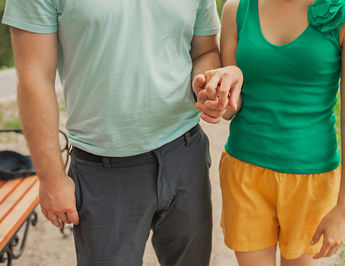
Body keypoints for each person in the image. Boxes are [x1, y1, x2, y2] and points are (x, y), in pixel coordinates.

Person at [1, 0, 242, 265]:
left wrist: (205, 86)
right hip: (102, 172)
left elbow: (204, 50)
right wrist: (51, 179)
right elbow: (34, 78)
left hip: (185, 154)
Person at [194, 0, 345, 265]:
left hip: (311, 179)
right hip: (245, 173)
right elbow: (234, 106)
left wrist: (343, 209)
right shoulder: (236, 8)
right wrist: (219, 97)